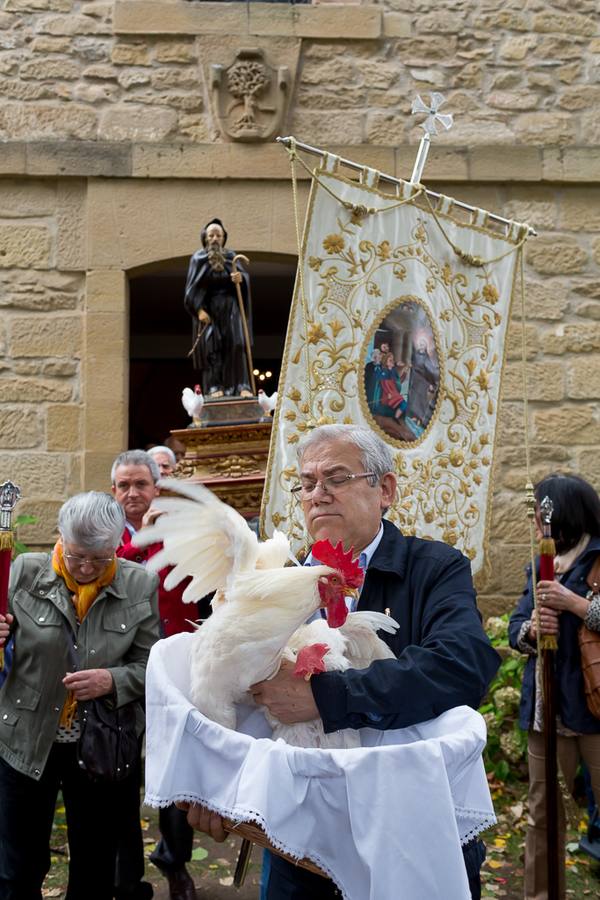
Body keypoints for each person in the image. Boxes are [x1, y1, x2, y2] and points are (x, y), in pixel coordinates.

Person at [183, 424, 501, 899]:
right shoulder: (275, 582)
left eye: (336, 477)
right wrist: (210, 780)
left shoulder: (433, 567)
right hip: (297, 835)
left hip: (410, 823)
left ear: (385, 489)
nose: (318, 494)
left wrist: (326, 697)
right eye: (307, 483)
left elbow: (462, 665)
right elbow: (221, 680)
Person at [0, 492, 159, 900]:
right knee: (17, 865)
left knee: (95, 865)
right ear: (60, 539)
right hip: (24, 739)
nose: (87, 568)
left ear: (116, 548)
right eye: (76, 557)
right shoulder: (23, 572)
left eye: (100, 559)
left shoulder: (140, 584)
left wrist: (113, 680)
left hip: (100, 743)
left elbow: (152, 667)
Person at [508, 473, 600, 900]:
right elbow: (515, 629)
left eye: (541, 516)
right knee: (542, 815)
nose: (536, 526)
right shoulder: (539, 562)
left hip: (595, 708)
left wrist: (575, 604)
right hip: (549, 710)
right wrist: (531, 628)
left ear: (561, 516)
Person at [112, 450, 198, 900]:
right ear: (113, 492)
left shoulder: (180, 530)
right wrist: (140, 540)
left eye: (140, 484)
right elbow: (109, 578)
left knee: (175, 769)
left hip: (174, 664)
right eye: (124, 485)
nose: (132, 493)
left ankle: (175, 861)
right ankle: (126, 876)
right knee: (121, 774)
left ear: (155, 487)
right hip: (121, 671)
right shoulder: (103, 533)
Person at [183, 217, 253, 398]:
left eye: (218, 235)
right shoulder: (198, 259)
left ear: (223, 238)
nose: (214, 239)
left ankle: (242, 385)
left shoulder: (231, 257)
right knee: (213, 347)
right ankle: (215, 387)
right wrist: (198, 310)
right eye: (211, 235)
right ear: (205, 238)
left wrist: (240, 280)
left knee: (237, 344)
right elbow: (192, 288)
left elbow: (243, 282)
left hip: (231, 308)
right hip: (210, 309)